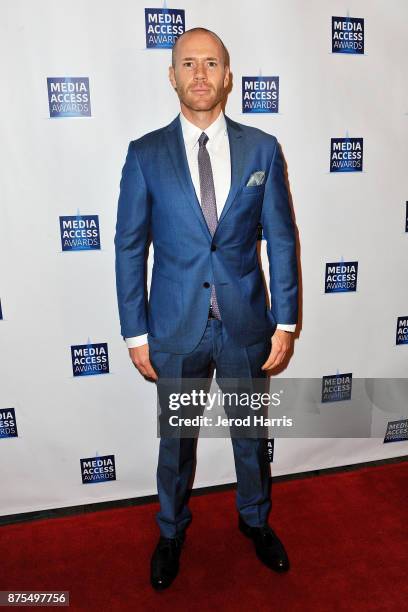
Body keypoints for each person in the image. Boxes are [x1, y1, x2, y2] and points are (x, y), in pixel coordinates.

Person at [114, 27, 298, 590]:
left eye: (211, 64)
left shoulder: (262, 148)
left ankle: (256, 522)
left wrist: (285, 321)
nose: (200, 75)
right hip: (176, 329)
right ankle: (170, 533)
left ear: (227, 76)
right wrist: (134, 333)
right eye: (188, 64)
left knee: (250, 434)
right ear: (171, 76)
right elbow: (129, 246)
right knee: (176, 443)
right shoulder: (144, 154)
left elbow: (283, 239)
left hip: (245, 324)